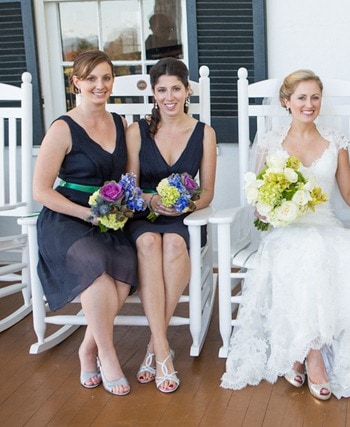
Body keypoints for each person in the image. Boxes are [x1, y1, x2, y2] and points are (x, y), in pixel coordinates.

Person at [221, 69, 350, 420]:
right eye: (301, 98)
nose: (309, 104)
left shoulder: (336, 141)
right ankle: (314, 356)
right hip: (286, 231)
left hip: (326, 225)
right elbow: (257, 194)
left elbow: (348, 191)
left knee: (326, 248)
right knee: (310, 250)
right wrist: (267, 207)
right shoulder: (270, 142)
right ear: (286, 102)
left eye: (315, 98)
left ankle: (303, 353)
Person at [33, 50, 135, 396]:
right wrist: (87, 214)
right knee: (95, 267)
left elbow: (126, 178)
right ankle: (107, 355)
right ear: (76, 82)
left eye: (106, 78)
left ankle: (87, 348)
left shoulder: (120, 123)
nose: (99, 85)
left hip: (109, 216)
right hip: (67, 217)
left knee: (125, 269)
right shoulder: (62, 128)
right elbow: (41, 191)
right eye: (91, 78)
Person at [126, 58, 217, 393]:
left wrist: (184, 204)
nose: (169, 97)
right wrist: (151, 201)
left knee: (175, 244)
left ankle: (155, 346)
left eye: (176, 89)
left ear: (187, 90)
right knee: (149, 243)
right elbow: (130, 187)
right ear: (153, 93)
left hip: (185, 216)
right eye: (162, 90)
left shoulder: (204, 133)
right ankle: (163, 348)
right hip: (143, 214)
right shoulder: (136, 131)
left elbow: (207, 192)